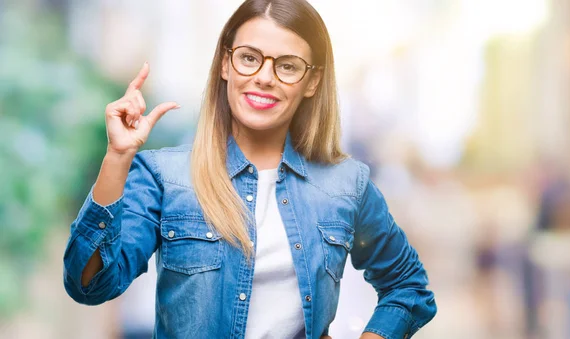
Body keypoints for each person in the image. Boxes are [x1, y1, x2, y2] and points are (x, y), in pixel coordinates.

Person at [62, 1, 437, 338]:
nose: (265, 77)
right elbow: (91, 285)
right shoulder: (166, 176)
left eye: (288, 66)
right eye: (249, 57)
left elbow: (408, 286)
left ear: (312, 81)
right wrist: (117, 156)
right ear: (226, 63)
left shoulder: (345, 184)